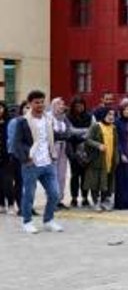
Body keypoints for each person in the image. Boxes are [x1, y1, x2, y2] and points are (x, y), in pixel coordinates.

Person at [12, 90, 63, 233]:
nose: (40, 105)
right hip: (31, 164)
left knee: (54, 194)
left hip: (48, 162)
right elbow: (17, 143)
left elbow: (52, 136)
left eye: (42, 102)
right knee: (29, 195)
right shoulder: (22, 121)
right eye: (36, 102)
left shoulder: (48, 119)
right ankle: (27, 222)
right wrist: (26, 159)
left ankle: (48, 220)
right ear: (30, 103)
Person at [84, 108, 120, 211]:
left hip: (109, 159)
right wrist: (98, 145)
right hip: (97, 159)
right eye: (109, 114)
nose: (111, 117)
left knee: (107, 181)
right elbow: (87, 139)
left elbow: (116, 144)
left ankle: (104, 201)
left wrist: (116, 157)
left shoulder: (113, 128)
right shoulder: (96, 126)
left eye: (113, 115)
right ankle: (95, 202)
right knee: (95, 181)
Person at [49, 98, 72, 211]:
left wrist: (63, 135)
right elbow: (51, 133)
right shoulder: (48, 117)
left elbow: (69, 131)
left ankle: (59, 200)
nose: (61, 106)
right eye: (58, 104)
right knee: (53, 175)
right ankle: (52, 200)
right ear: (53, 105)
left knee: (62, 175)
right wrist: (62, 135)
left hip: (63, 148)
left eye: (62, 104)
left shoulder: (64, 118)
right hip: (53, 148)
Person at [0, 103, 15, 215]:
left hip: (7, 157)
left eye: (0, 108)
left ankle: (11, 204)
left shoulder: (10, 122)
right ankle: (1, 205)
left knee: (8, 182)